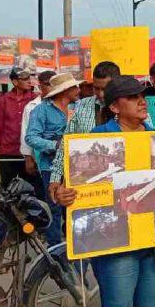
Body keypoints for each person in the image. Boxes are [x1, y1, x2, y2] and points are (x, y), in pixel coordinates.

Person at [52, 76, 155, 307]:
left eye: (142, 96)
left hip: (152, 243)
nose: (142, 101)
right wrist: (63, 194)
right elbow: (75, 189)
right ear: (114, 107)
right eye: (133, 97)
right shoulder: (95, 139)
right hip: (115, 245)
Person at [48, 62, 121, 200]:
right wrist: (56, 176)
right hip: (89, 183)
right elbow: (66, 143)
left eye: (105, 89)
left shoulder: (131, 104)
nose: (100, 94)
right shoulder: (80, 106)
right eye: (96, 88)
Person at [25, 72, 81, 245]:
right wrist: (54, 145)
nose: (78, 90)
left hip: (75, 166)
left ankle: (75, 244)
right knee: (54, 207)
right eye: (74, 87)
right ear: (65, 91)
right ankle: (55, 248)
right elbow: (31, 137)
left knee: (75, 205)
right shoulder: (41, 110)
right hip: (50, 166)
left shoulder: (78, 108)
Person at [0, 67, 38, 190]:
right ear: (15, 82)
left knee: (30, 187)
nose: (28, 81)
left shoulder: (35, 99)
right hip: (8, 150)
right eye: (24, 79)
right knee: (6, 186)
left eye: (29, 78)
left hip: (29, 152)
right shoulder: (3, 100)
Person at [20, 70, 56, 199]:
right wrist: (28, 159)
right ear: (40, 86)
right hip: (40, 157)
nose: (51, 87)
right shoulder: (31, 106)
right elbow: (26, 135)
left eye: (54, 83)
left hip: (60, 159)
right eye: (47, 84)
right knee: (46, 194)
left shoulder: (67, 104)